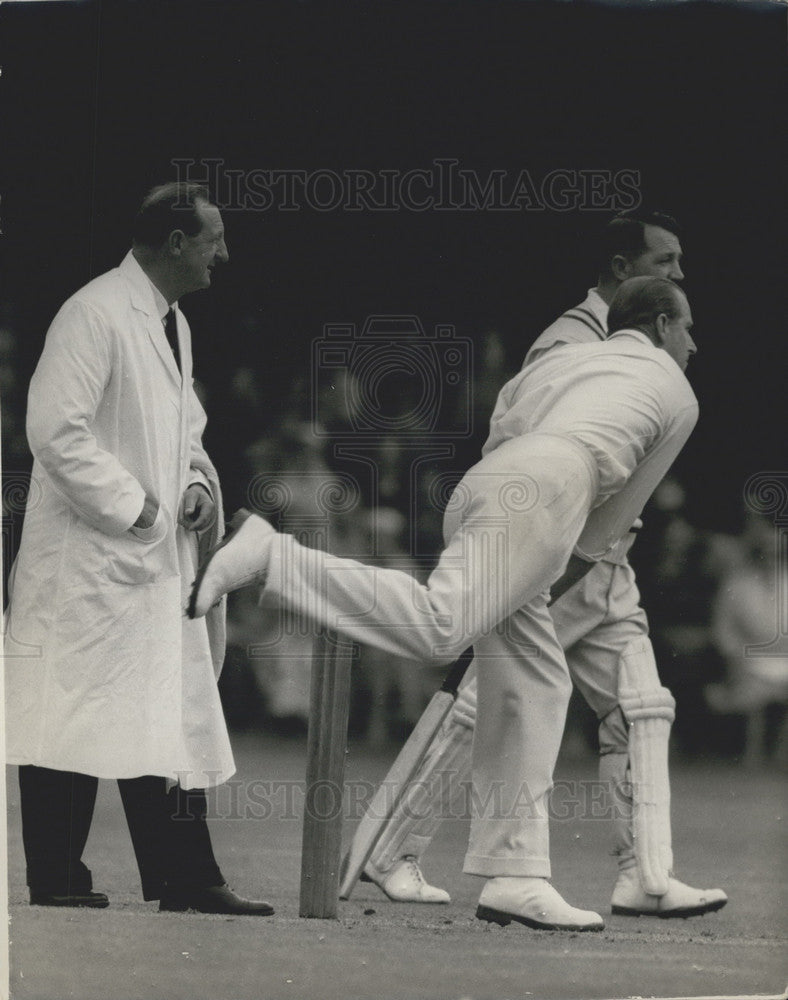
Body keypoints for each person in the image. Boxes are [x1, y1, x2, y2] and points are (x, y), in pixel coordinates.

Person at [191, 275, 702, 932]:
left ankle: (517, 875)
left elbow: (505, 421)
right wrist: (536, 560)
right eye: (688, 330)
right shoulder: (676, 392)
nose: (694, 345)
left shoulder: (564, 360)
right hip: (556, 487)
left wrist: (508, 540)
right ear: (662, 326)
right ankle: (273, 557)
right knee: (439, 627)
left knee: (536, 683)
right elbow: (608, 530)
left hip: (488, 479)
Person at [341, 210, 728, 920]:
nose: (678, 274)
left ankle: (644, 874)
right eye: (665, 261)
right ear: (621, 268)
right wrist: (527, 554)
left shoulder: (622, 340)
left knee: (639, 706)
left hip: (604, 555)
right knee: (493, 699)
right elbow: (515, 434)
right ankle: (394, 849)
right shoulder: (572, 338)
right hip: (561, 545)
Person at [4, 182, 273, 915]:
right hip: (90, 561)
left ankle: (187, 877)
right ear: (176, 242)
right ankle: (57, 877)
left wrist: (192, 482)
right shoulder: (93, 313)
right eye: (214, 237)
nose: (225, 251)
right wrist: (140, 511)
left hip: (148, 560)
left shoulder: (171, 324)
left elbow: (185, 428)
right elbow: (56, 429)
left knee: (166, 705)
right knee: (73, 710)